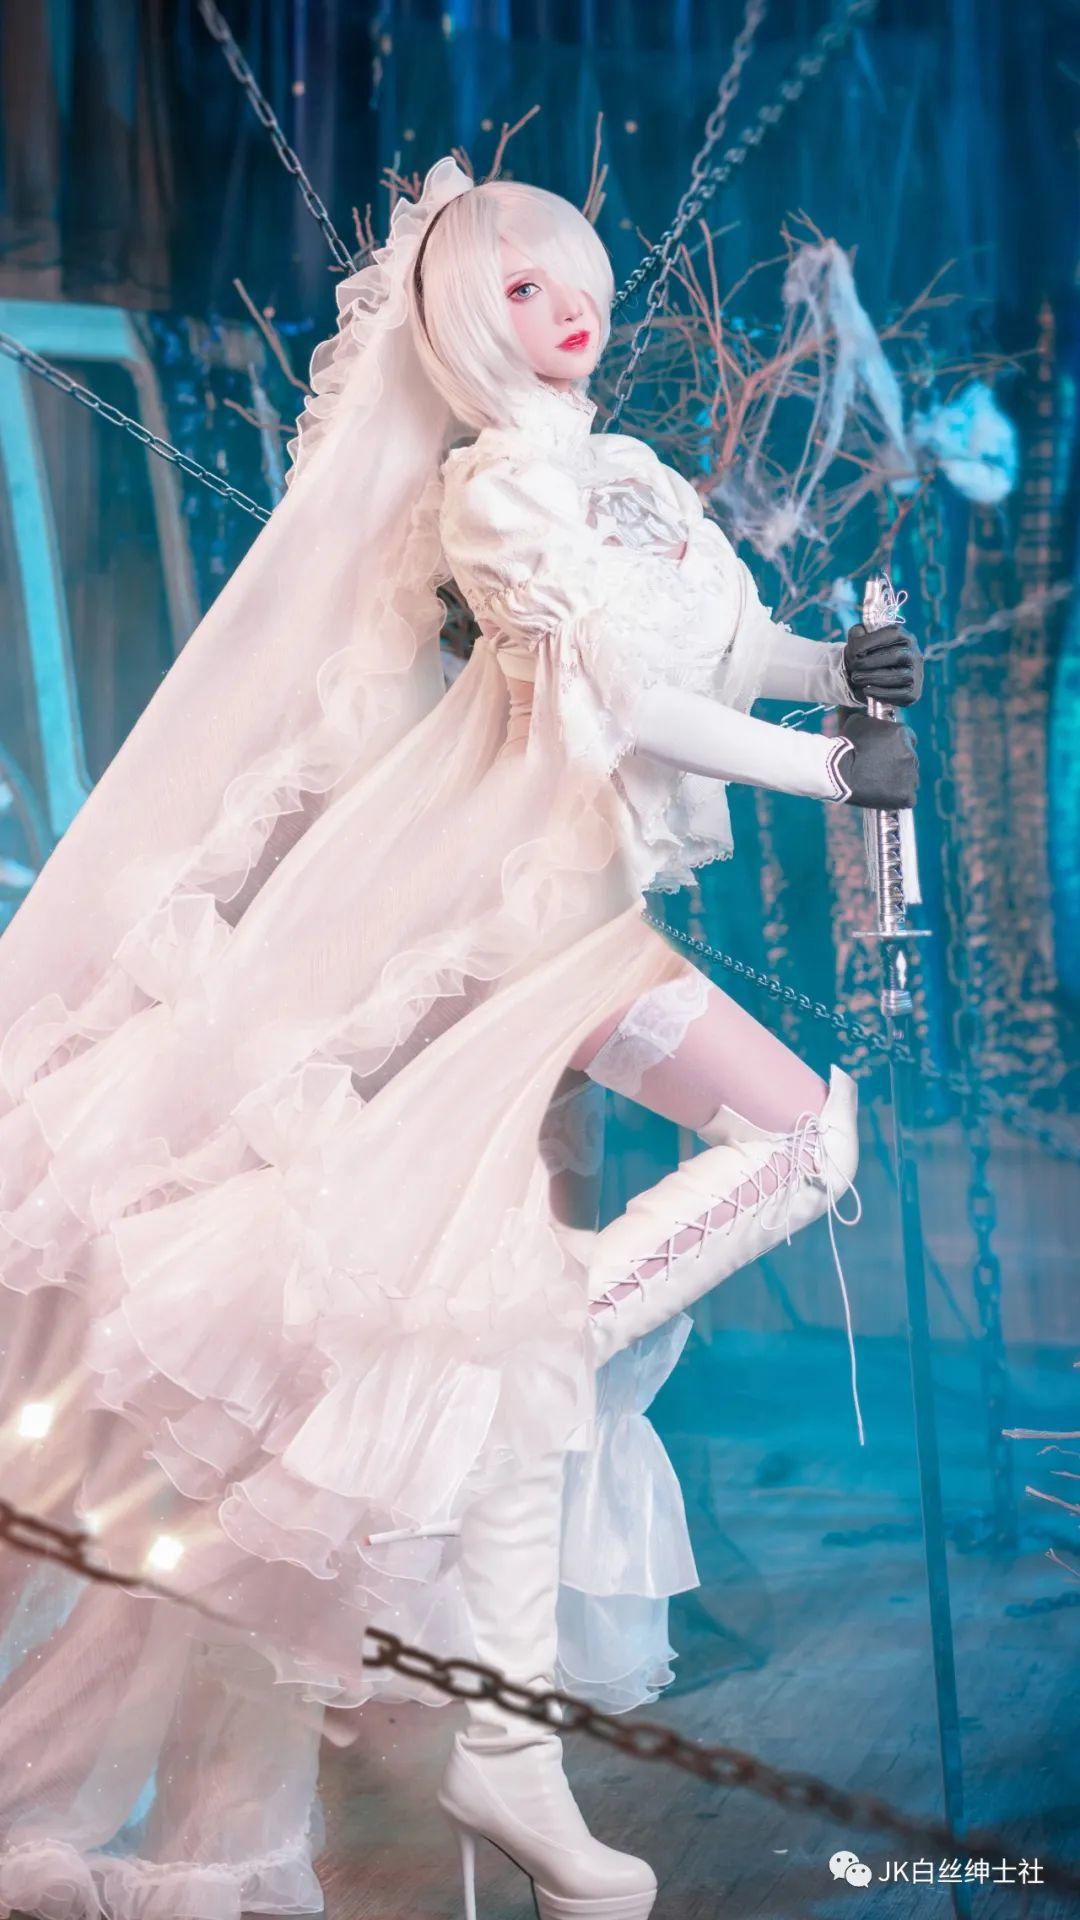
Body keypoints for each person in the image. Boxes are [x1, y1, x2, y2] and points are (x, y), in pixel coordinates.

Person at [0, 156, 920, 1920]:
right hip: (508, 916)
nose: (569, 314)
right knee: (804, 1137)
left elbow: (719, 648)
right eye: (522, 290)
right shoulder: (493, 491)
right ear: (452, 317)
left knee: (541, 1316)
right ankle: (523, 1483)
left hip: (581, 914)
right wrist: (826, 771)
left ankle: (511, 1745)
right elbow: (615, 698)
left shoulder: (631, 473)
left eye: (583, 287)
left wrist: (829, 676)